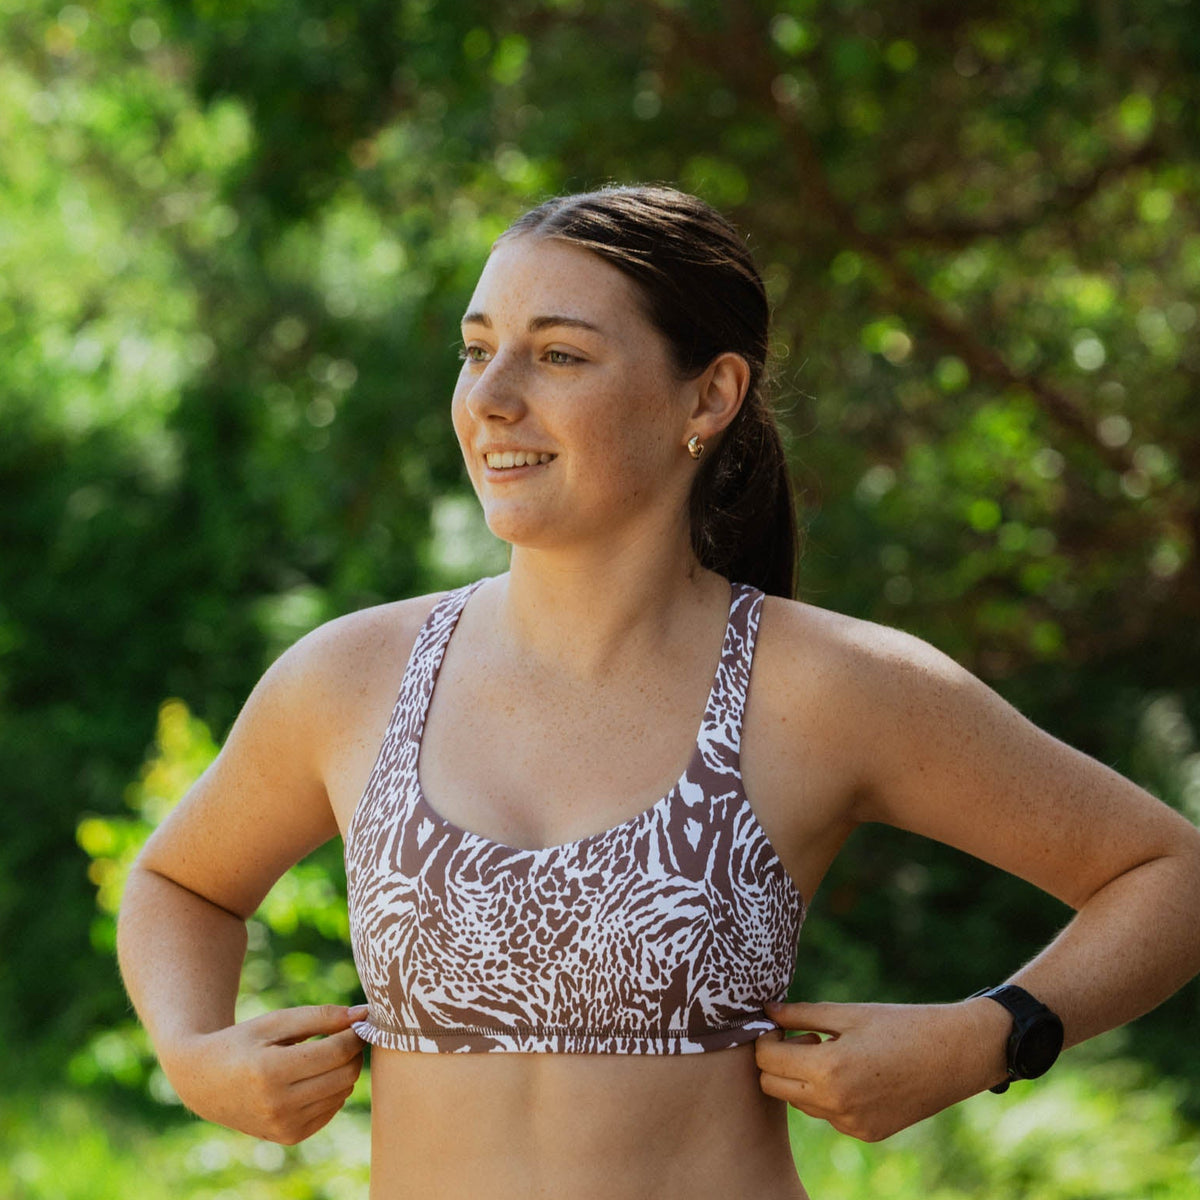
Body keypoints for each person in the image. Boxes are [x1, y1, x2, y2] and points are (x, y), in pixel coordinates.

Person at [117, 185, 1200, 1200]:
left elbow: (1169, 874)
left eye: (557, 356)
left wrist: (989, 1036)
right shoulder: (355, 677)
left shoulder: (826, 687)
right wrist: (195, 1054)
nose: (491, 401)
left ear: (709, 395)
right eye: (477, 351)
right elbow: (181, 884)